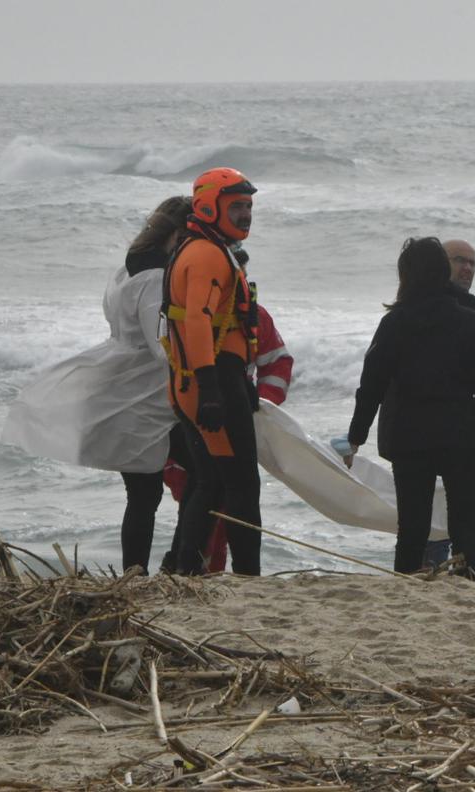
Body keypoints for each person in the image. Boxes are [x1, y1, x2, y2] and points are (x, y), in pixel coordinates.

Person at [1, 195, 193, 574]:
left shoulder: (127, 270)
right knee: (189, 479)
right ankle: (167, 565)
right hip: (145, 396)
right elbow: (161, 345)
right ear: (177, 234)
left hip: (123, 387)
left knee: (145, 493)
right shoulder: (156, 277)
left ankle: (139, 573)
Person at [344, 237, 475, 580]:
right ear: (442, 272)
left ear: (406, 276)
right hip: (461, 438)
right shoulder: (468, 322)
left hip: (409, 440)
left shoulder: (393, 323)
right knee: (466, 526)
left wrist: (355, 437)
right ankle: (468, 584)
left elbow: (371, 385)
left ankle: (406, 586)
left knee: (412, 527)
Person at [162, 167, 263, 575]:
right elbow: (198, 321)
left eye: (249, 207)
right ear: (207, 206)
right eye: (236, 206)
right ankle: (248, 578)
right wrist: (212, 390)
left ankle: (185, 568)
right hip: (210, 380)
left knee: (212, 481)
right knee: (241, 485)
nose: (245, 215)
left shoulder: (206, 248)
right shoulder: (205, 254)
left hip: (209, 379)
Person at [163, 298, 293, 573]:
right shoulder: (186, 316)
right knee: (204, 500)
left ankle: (214, 575)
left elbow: (278, 363)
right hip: (188, 427)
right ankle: (194, 573)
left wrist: (260, 405)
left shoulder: (254, 316)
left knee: (223, 504)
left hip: (232, 423)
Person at [419, 238, 475, 567]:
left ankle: (443, 572)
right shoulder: (420, 310)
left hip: (453, 431)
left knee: (456, 519)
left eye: (473, 263)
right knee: (429, 518)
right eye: (460, 260)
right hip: (426, 431)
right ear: (439, 264)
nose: (468, 268)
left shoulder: (468, 312)